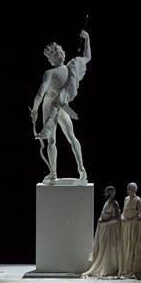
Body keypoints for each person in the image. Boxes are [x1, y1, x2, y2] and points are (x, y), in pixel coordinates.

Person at [29, 28, 91, 182]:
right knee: (71, 137)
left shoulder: (49, 73)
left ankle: (53, 173)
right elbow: (87, 57)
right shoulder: (71, 68)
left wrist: (35, 111)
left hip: (50, 105)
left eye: (49, 57)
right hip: (62, 107)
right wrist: (87, 39)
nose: (48, 60)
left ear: (51, 58)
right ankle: (82, 170)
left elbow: (40, 94)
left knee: (51, 141)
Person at [84, 186, 122, 278]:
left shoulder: (114, 204)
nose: (105, 194)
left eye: (107, 192)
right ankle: (105, 265)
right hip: (104, 229)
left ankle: (109, 267)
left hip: (110, 230)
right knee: (103, 247)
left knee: (109, 248)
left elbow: (116, 218)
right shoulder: (107, 202)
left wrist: (105, 222)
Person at [119, 183, 141, 277]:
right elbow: (124, 211)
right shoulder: (126, 199)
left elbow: (140, 213)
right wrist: (122, 218)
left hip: (133, 226)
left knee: (132, 245)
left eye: (130, 188)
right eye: (128, 188)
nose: (128, 190)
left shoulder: (138, 200)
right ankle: (126, 268)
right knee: (125, 246)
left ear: (134, 190)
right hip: (125, 225)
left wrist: (132, 219)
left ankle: (133, 269)